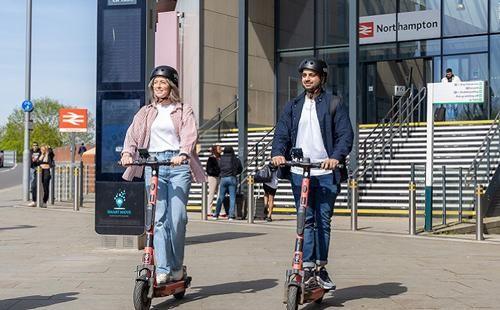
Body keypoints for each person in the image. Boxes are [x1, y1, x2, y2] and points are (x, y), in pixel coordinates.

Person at [271, 58, 353, 290]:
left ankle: (320, 268)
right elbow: (282, 134)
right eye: (304, 75)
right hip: (299, 171)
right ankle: (306, 268)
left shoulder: (334, 103)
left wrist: (336, 157)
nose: (307, 78)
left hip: (325, 170)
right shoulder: (293, 105)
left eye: (312, 75)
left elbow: (345, 135)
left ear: (322, 78)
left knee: (322, 220)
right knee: (305, 219)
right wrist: (278, 153)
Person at [121, 65, 206, 284]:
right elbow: (133, 134)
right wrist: (127, 153)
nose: (158, 86)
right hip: (153, 164)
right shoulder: (146, 111)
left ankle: (177, 267)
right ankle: (163, 267)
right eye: (155, 83)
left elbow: (189, 134)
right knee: (158, 220)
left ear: (172, 86)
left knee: (177, 218)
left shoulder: (183, 109)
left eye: (163, 82)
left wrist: (184, 153)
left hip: (177, 165)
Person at [212, 146, 242, 220]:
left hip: (223, 178)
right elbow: (240, 169)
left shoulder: (221, 159)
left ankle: (216, 214)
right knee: (232, 197)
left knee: (221, 197)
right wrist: (235, 173)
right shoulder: (236, 159)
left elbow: (218, 168)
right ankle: (231, 216)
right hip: (232, 178)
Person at [206, 144, 228, 217]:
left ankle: (221, 211)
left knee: (220, 194)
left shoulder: (222, 158)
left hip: (220, 177)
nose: (221, 149)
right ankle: (209, 210)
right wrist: (218, 172)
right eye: (219, 148)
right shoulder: (211, 159)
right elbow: (209, 170)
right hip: (213, 177)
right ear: (215, 150)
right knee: (211, 193)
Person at [28, 142, 41, 207]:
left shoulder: (40, 151)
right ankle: (32, 189)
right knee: (32, 179)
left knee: (38, 182)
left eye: (36, 145)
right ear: (32, 146)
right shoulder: (30, 151)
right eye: (34, 145)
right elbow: (29, 159)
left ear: (38, 146)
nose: (35, 146)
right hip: (32, 167)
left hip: (39, 167)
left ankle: (38, 198)